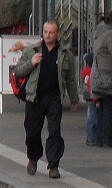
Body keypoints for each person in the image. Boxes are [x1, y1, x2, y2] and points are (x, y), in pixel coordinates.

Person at [12, 19, 79, 179]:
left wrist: (74, 99)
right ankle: (33, 157)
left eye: (51, 32)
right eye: (45, 32)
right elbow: (18, 71)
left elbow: (70, 78)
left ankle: (53, 165)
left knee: (54, 131)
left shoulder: (65, 54)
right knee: (32, 132)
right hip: (34, 97)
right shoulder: (31, 50)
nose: (47, 35)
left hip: (54, 97)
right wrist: (32, 63)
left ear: (58, 34)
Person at [93, 11, 112, 147]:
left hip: (98, 76)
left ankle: (99, 138)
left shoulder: (99, 33)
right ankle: (107, 140)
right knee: (109, 109)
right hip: (108, 77)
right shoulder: (109, 35)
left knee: (102, 108)